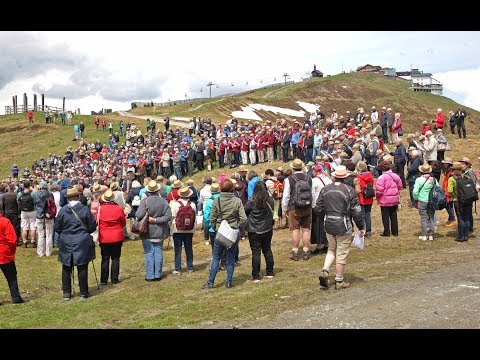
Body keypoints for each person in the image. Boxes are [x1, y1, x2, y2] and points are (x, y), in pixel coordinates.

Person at [315, 165, 365, 290]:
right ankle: (339, 280)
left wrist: (325, 217)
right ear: (345, 177)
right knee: (341, 253)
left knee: (331, 249)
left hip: (329, 223)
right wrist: (361, 226)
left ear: (334, 176)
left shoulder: (325, 189)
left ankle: (325, 270)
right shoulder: (349, 190)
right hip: (343, 224)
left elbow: (317, 208)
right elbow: (356, 211)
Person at [203, 179, 247, 289]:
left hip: (220, 231)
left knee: (216, 258)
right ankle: (228, 282)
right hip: (233, 231)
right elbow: (244, 219)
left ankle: (211, 282)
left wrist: (215, 227)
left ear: (221, 188)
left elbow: (211, 218)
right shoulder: (237, 201)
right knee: (231, 257)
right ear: (232, 188)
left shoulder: (216, 201)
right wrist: (236, 225)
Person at [55, 187, 97, 300]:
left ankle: (67, 293)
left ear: (68, 198)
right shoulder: (84, 209)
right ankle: (83, 292)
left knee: (66, 266)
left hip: (66, 241)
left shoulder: (63, 210)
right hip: (81, 241)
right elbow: (92, 227)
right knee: (82, 266)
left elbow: (57, 228)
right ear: (78, 197)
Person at [135, 180, 172, 281]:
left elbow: (138, 215)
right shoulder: (163, 201)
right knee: (158, 252)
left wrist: (151, 219)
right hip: (159, 231)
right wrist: (157, 220)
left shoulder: (144, 201)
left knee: (149, 252)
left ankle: (150, 275)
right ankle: (157, 274)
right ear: (157, 190)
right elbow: (168, 216)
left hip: (146, 231)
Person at [281, 158, 313, 261]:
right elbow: (312, 193)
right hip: (307, 206)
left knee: (295, 229)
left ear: (293, 168)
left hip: (294, 207)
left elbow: (286, 196)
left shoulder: (289, 179)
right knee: (306, 229)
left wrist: (285, 208)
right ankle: (306, 250)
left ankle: (295, 251)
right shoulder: (309, 178)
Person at [244, 181, 275, 282]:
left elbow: (245, 211)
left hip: (254, 230)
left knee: (256, 252)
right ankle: (270, 272)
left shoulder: (252, 201)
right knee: (267, 250)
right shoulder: (270, 200)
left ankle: (256, 276)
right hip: (267, 229)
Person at [96, 189, 126, 285]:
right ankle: (114, 278)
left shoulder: (100, 209)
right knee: (115, 258)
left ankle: (104, 280)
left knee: (105, 258)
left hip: (104, 236)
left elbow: (97, 221)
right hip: (116, 235)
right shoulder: (118, 209)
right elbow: (123, 222)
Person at [0, 213, 29, 304]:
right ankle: (16, 297)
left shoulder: (5, 221)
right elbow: (11, 239)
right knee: (11, 277)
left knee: (11, 276)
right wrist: (12, 251)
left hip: (4, 252)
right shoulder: (4, 221)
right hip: (5, 253)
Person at [170, 186, 197, 274]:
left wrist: (170, 228)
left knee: (178, 249)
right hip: (189, 229)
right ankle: (190, 267)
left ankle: (178, 268)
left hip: (177, 230)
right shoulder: (192, 204)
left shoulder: (175, 204)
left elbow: (172, 217)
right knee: (189, 248)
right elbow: (194, 217)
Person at [375, 161, 402, 237]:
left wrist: (378, 197)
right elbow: (400, 185)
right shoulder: (395, 176)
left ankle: (386, 231)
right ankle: (395, 232)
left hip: (384, 199)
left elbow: (379, 190)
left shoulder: (381, 178)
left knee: (385, 216)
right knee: (394, 214)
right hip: (394, 198)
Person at [310, 164, 332, 254]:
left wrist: (311, 205)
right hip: (328, 205)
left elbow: (312, 194)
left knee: (317, 225)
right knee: (326, 224)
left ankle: (319, 246)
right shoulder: (328, 180)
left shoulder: (313, 181)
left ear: (314, 171)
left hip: (317, 205)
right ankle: (327, 244)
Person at [413, 163, 437, 241]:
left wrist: (416, 199)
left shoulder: (419, 180)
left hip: (422, 200)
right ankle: (431, 235)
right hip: (431, 201)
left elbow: (415, 191)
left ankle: (424, 235)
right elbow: (437, 189)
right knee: (431, 217)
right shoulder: (433, 179)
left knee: (424, 218)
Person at [354, 161, 374, 237]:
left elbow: (360, 188)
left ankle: (363, 230)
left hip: (362, 198)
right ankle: (368, 231)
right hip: (369, 197)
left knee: (362, 215)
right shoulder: (370, 175)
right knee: (368, 215)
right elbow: (371, 185)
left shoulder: (358, 177)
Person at [34, 181, 54, 257]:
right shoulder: (50, 194)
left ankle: (40, 252)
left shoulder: (36, 194)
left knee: (41, 234)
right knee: (49, 234)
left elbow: (35, 203)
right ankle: (48, 252)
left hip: (39, 215)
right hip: (48, 215)